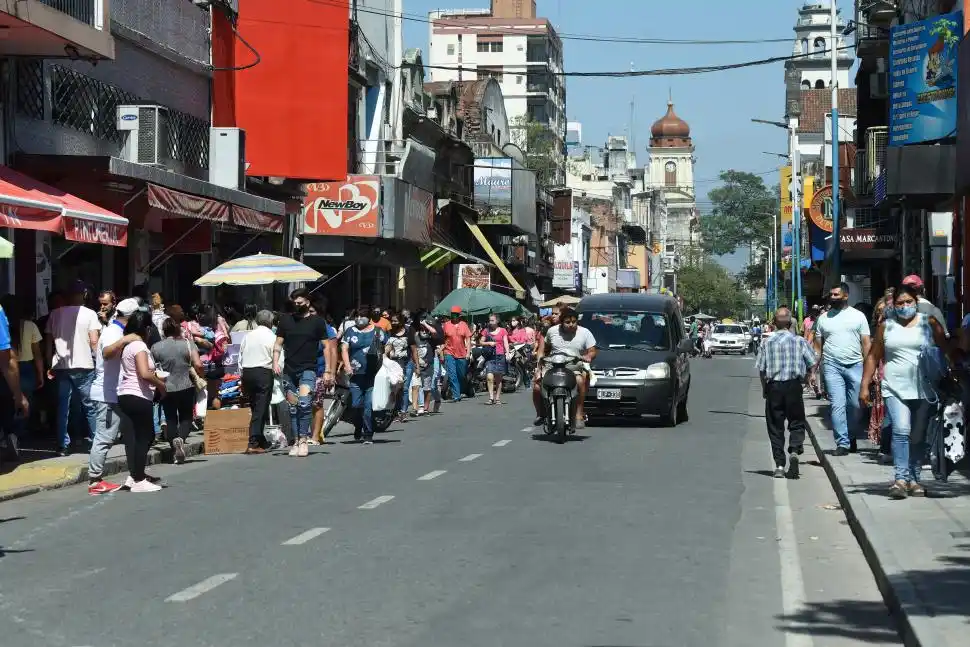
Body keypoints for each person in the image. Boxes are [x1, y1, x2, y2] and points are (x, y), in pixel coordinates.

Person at [862, 284, 950, 499]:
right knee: (901, 430)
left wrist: (952, 373)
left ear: (916, 302)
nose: (904, 306)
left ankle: (914, 479)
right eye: (900, 303)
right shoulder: (886, 327)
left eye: (908, 302)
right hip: (894, 387)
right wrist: (865, 384)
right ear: (894, 305)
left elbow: (945, 350)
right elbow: (874, 356)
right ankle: (901, 479)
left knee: (918, 436)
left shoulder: (928, 323)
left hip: (925, 389)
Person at [86, 298, 141, 495]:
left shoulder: (116, 330)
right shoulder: (113, 332)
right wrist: (125, 340)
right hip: (105, 393)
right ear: (132, 316)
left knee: (127, 432)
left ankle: (137, 474)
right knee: (105, 437)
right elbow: (108, 352)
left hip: (115, 393)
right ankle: (95, 480)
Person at [755, 307, 817, 479]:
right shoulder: (799, 341)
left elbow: (761, 370)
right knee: (797, 421)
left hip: (774, 386)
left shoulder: (766, 342)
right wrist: (809, 376)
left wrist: (764, 389)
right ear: (791, 323)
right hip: (794, 386)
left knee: (775, 426)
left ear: (774, 323)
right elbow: (812, 361)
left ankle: (780, 465)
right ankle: (795, 450)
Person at [273, 288, 334, 457]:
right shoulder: (285, 321)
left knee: (305, 403)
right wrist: (275, 362)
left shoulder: (317, 322)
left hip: (308, 368)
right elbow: (278, 344)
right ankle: (296, 441)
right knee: (293, 407)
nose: (297, 305)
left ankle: (303, 440)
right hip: (289, 370)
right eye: (294, 303)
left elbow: (327, 346)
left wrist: (328, 370)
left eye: (299, 302)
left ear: (308, 302)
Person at [814, 283, 871, 456]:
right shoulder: (823, 318)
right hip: (832, 366)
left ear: (846, 296)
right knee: (837, 405)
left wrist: (871, 368)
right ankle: (843, 443)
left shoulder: (858, 316)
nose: (832, 297)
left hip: (856, 365)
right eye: (831, 294)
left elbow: (866, 343)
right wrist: (813, 369)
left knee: (855, 405)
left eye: (836, 295)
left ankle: (852, 435)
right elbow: (818, 347)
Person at [46, 282, 101, 455]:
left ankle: (63, 444)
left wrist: (50, 364)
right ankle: (95, 442)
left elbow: (48, 342)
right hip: (84, 365)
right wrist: (98, 362)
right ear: (83, 295)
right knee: (90, 405)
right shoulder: (90, 314)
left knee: (63, 406)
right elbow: (94, 341)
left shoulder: (55, 314)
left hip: (61, 365)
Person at [117, 310, 167, 493]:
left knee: (137, 437)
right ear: (147, 328)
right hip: (138, 395)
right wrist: (161, 385)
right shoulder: (139, 346)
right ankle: (138, 478)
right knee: (146, 437)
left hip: (126, 395)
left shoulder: (128, 346)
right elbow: (144, 373)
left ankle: (135, 475)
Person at [534, 307, 597, 429]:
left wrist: (588, 356)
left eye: (574, 322)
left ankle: (579, 413)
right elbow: (543, 349)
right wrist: (539, 364)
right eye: (568, 322)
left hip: (573, 365)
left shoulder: (585, 332)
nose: (571, 325)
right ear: (561, 322)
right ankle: (540, 414)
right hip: (552, 364)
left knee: (580, 381)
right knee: (537, 386)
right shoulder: (552, 331)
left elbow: (593, 350)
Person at [152, 317, 203, 464]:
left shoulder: (156, 347)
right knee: (186, 417)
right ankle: (180, 439)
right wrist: (201, 375)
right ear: (177, 329)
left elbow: (152, 368)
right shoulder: (188, 344)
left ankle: (175, 449)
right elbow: (198, 364)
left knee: (170, 418)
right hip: (186, 385)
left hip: (166, 387)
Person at [0, 296, 43, 452]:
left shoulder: (4, 325)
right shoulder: (30, 326)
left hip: (4, 368)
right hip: (24, 368)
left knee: (5, 403)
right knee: (21, 405)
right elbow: (37, 353)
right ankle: (16, 435)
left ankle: (6, 435)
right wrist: (40, 373)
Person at [340, 309, 388, 444]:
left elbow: (387, 345)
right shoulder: (350, 331)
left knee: (368, 405)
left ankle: (368, 434)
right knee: (355, 405)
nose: (359, 318)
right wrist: (347, 365)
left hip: (373, 374)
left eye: (362, 316)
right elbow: (344, 348)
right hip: (355, 374)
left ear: (369, 318)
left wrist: (384, 355)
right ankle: (358, 425)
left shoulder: (378, 331)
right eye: (357, 316)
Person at [240, 310, 277, 454]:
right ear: (270, 321)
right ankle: (253, 442)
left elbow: (241, 355)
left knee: (255, 406)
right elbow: (277, 355)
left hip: (247, 371)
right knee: (260, 407)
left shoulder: (248, 335)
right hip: (263, 372)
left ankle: (260, 439)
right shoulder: (272, 336)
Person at [385, 312, 417, 422]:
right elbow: (387, 347)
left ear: (401, 322)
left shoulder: (408, 332)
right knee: (394, 388)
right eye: (392, 321)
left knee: (405, 388)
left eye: (395, 321)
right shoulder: (390, 333)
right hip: (393, 364)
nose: (393, 323)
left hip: (407, 363)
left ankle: (403, 412)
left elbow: (413, 349)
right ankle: (395, 411)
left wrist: (416, 365)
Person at [442, 306, 472, 402]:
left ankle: (466, 389)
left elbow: (468, 339)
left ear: (459, 316)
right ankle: (456, 395)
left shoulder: (464, 325)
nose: (453, 316)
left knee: (461, 375)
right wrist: (441, 351)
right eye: (452, 314)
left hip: (462, 353)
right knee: (452, 374)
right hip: (449, 352)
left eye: (455, 315)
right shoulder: (446, 325)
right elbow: (443, 339)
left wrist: (468, 352)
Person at [480, 313, 510, 405]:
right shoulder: (486, 331)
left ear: (497, 321)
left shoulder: (503, 331)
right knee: (489, 377)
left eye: (492, 320)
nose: (490, 322)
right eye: (489, 320)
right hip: (490, 356)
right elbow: (480, 342)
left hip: (500, 355)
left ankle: (497, 398)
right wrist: (488, 343)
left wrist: (507, 353)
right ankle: (491, 397)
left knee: (498, 378)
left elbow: (505, 342)